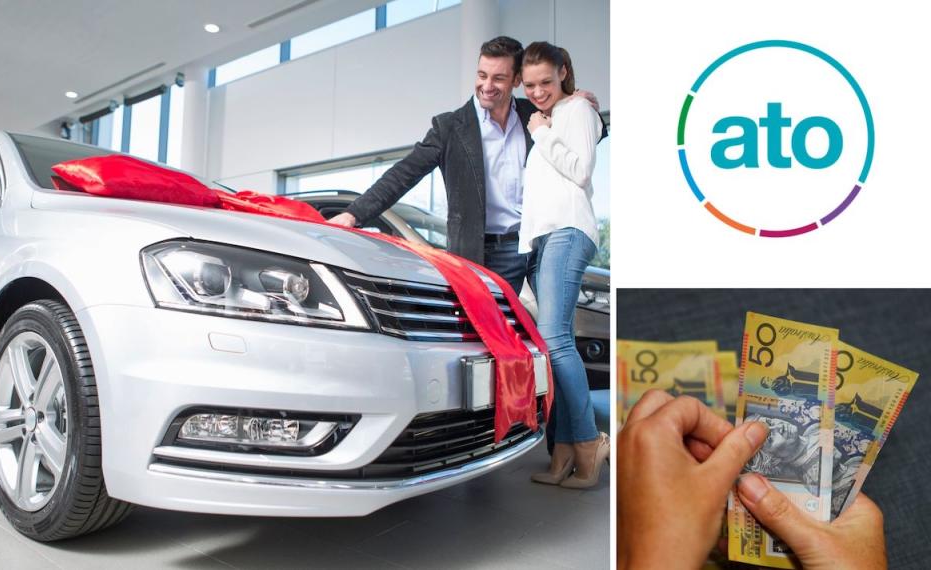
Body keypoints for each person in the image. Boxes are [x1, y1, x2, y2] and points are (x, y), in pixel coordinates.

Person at [328, 36, 603, 295]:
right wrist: (354, 215)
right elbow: (404, 173)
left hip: (539, 241)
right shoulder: (450, 128)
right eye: (482, 75)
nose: (487, 85)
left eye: (499, 78)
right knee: (491, 334)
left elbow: (583, 137)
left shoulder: (534, 113)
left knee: (551, 330)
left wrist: (579, 104)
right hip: (487, 252)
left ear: (517, 80)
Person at [618, 390, 888, 570]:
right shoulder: (812, 474)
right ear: (769, 460)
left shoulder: (818, 437)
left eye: (769, 423)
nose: (775, 426)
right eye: (768, 436)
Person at [517, 42, 608, 488]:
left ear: (564, 73)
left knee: (554, 340)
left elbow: (582, 170)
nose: (537, 92)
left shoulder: (576, 111)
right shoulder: (554, 116)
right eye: (530, 84)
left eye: (546, 82)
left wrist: (540, 131)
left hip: (569, 232)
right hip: (547, 238)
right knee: (558, 340)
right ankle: (567, 452)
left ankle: (590, 442)